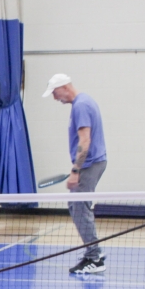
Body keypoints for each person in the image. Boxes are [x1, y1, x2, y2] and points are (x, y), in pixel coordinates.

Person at [43, 73, 108, 274]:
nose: (55, 98)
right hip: (92, 163)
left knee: (79, 208)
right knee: (77, 206)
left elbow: (85, 141)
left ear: (64, 87)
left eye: (55, 93)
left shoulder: (81, 105)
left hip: (89, 165)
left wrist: (75, 171)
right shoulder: (83, 102)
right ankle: (93, 252)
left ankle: (94, 257)